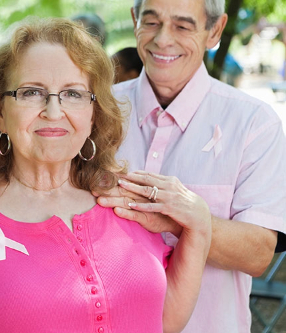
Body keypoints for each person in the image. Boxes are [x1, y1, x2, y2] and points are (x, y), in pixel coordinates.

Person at [0, 17, 211, 333]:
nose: (53, 112)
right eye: (31, 92)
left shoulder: (126, 200)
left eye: (73, 94)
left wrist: (199, 226)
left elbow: (162, 322)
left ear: (94, 113)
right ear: (0, 113)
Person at [97, 0, 286, 332]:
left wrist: (179, 219)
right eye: (152, 22)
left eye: (183, 26)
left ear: (214, 30)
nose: (163, 40)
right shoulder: (94, 111)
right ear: (134, 20)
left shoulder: (254, 123)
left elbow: (258, 254)